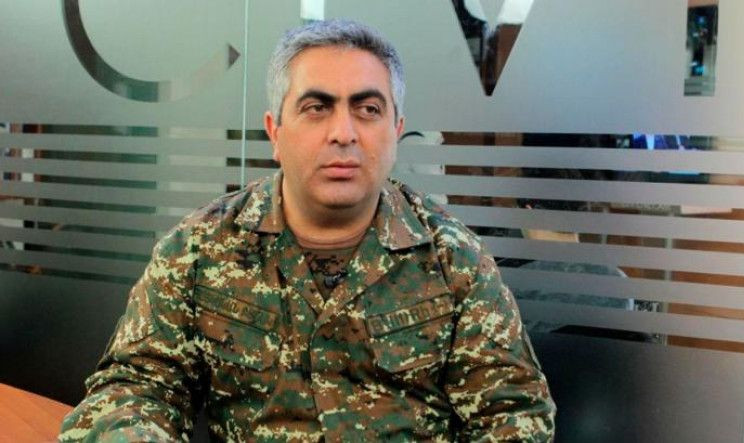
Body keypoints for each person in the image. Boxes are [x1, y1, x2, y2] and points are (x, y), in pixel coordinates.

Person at [60, 19, 555, 441]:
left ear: (396, 130)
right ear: (275, 132)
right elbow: (133, 390)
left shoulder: (452, 258)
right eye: (317, 108)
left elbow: (512, 413)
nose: (343, 133)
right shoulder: (199, 249)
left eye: (368, 109)